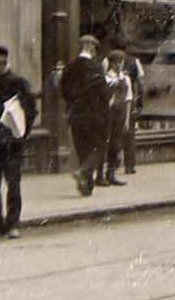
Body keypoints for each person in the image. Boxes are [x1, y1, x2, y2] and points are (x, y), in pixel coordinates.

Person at [0, 43, 36, 238]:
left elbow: (30, 109)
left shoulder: (17, 81)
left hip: (11, 141)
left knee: (13, 183)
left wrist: (22, 133)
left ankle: (12, 224)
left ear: (4, 58)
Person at [59, 33, 112, 197]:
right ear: (90, 48)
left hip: (76, 115)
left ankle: (86, 187)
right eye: (94, 48)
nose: (95, 51)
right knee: (99, 146)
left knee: (83, 148)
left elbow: (63, 90)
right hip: (96, 115)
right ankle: (83, 172)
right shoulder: (96, 67)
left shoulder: (70, 67)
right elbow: (103, 93)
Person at [109, 38, 145, 174]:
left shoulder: (108, 60)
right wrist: (140, 101)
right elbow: (141, 82)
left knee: (113, 134)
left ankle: (113, 164)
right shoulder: (135, 61)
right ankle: (130, 165)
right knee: (129, 134)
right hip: (129, 102)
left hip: (114, 103)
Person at [101, 48, 133, 186]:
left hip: (120, 116)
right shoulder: (106, 78)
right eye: (118, 62)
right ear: (112, 64)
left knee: (116, 144)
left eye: (122, 62)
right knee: (105, 144)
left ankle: (111, 173)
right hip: (109, 115)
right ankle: (101, 175)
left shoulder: (126, 79)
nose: (120, 65)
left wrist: (126, 119)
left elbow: (129, 99)